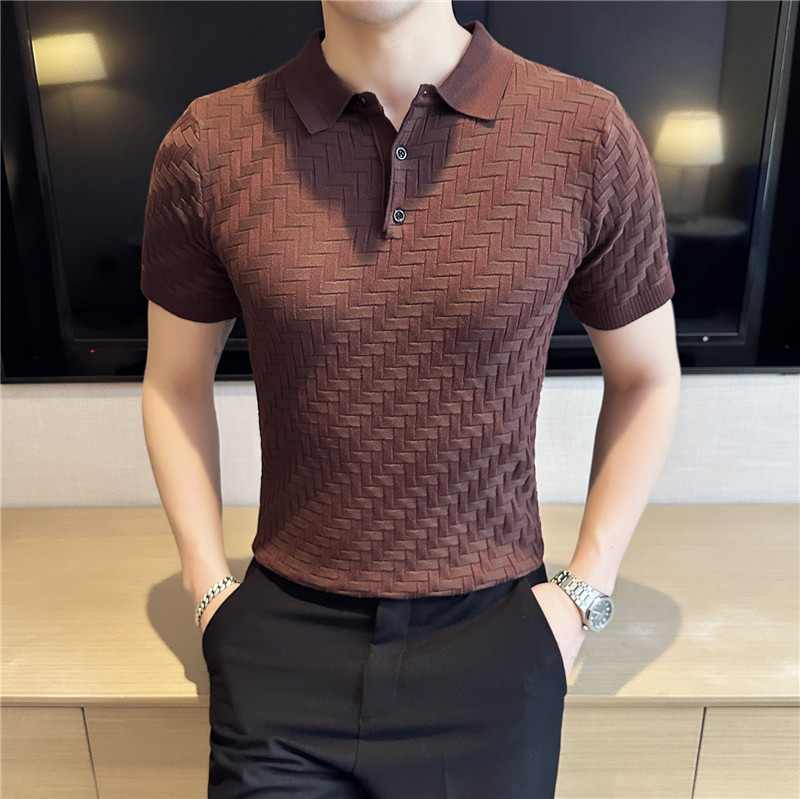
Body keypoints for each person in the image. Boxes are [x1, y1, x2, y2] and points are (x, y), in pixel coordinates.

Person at [140, 1, 681, 797]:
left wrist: (582, 596)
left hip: (494, 644)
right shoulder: (211, 143)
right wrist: (208, 589)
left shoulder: (585, 132)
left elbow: (648, 378)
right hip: (282, 642)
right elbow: (173, 383)